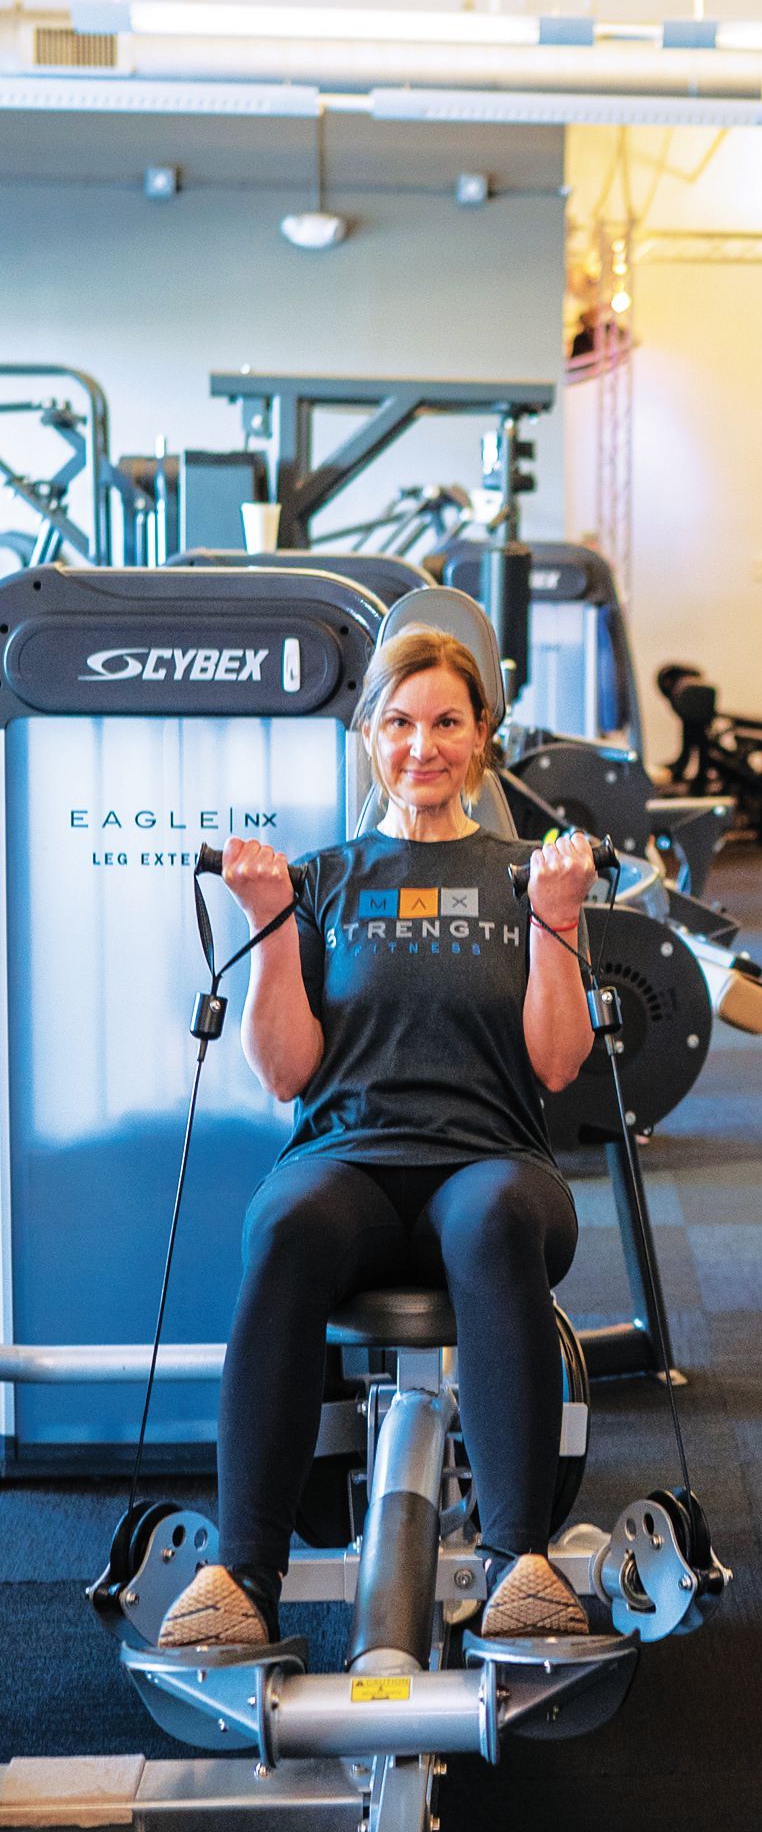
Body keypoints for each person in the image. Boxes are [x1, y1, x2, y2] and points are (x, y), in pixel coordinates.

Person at [157, 622, 598, 1649]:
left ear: (482, 734)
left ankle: (517, 1560)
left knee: (491, 1220)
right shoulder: (323, 879)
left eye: (447, 721)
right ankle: (244, 1568)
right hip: (347, 1160)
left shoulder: (527, 874)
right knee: (286, 1225)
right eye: (399, 722)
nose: (422, 745)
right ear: (369, 736)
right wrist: (268, 925)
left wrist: (559, 922)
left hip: (490, 1163)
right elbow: (284, 1073)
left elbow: (556, 1062)